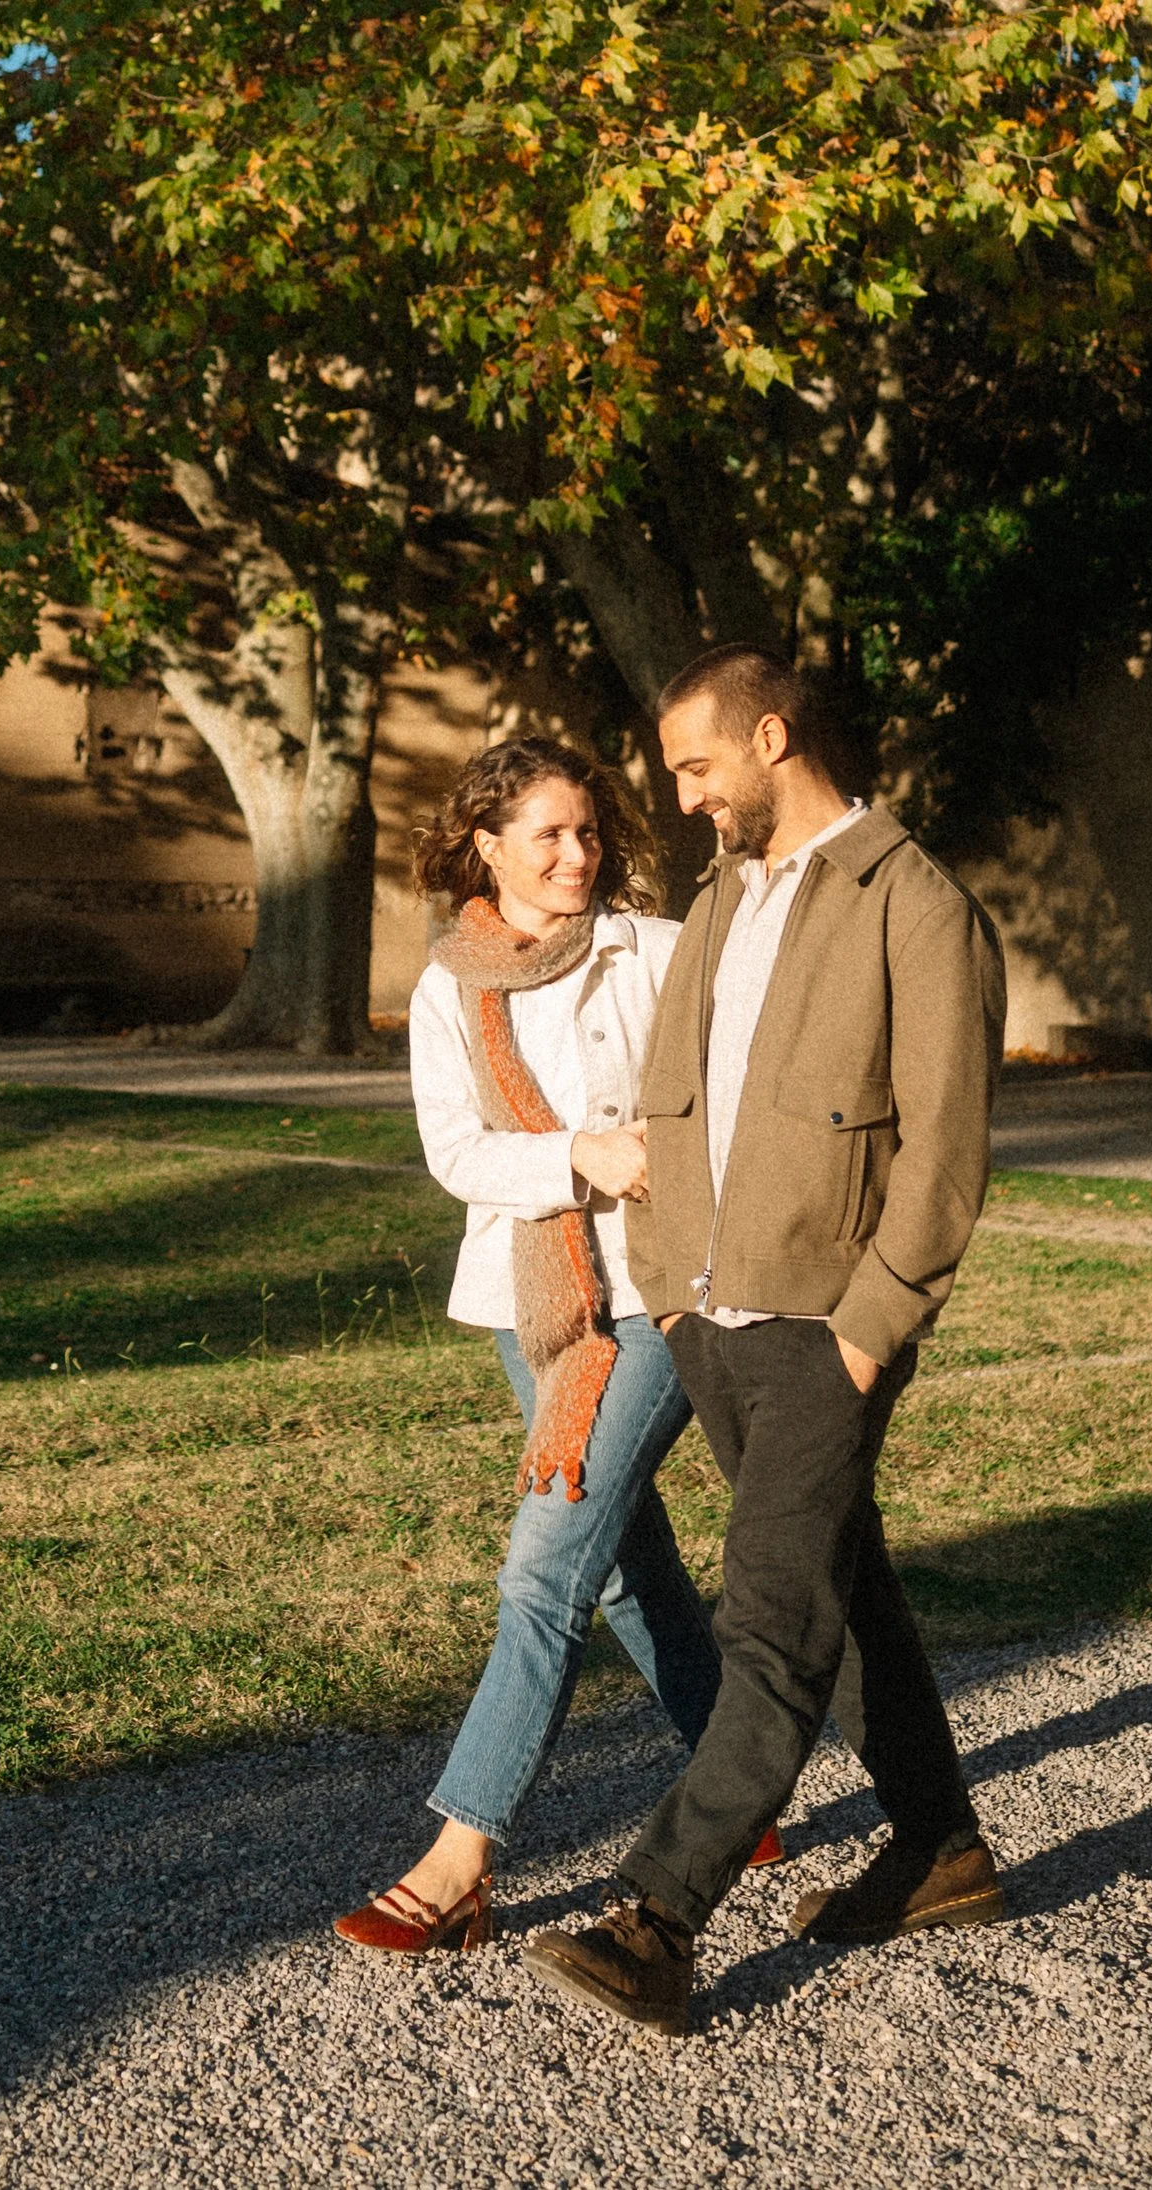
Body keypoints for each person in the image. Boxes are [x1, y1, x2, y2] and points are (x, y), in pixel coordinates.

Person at [524, 647, 1007, 2038]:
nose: (682, 800)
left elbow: (945, 1150)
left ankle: (658, 1915)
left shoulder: (916, 906)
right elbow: (675, 1099)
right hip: (712, 1316)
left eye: (695, 766)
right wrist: (670, 1287)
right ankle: (942, 1845)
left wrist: (872, 1328)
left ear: (773, 736)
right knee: (841, 1586)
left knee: (774, 1613)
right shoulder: (723, 898)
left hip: (826, 1322)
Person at [334, 733, 778, 1959]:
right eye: (548, 833)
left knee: (545, 1565)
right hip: (528, 1305)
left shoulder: (657, 947)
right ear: (486, 843)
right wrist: (579, 1153)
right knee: (626, 1566)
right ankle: (737, 1790)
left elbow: (743, 1069)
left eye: (588, 831)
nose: (578, 853)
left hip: (655, 1289)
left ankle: (458, 1856)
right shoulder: (450, 983)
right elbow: (457, 1154)